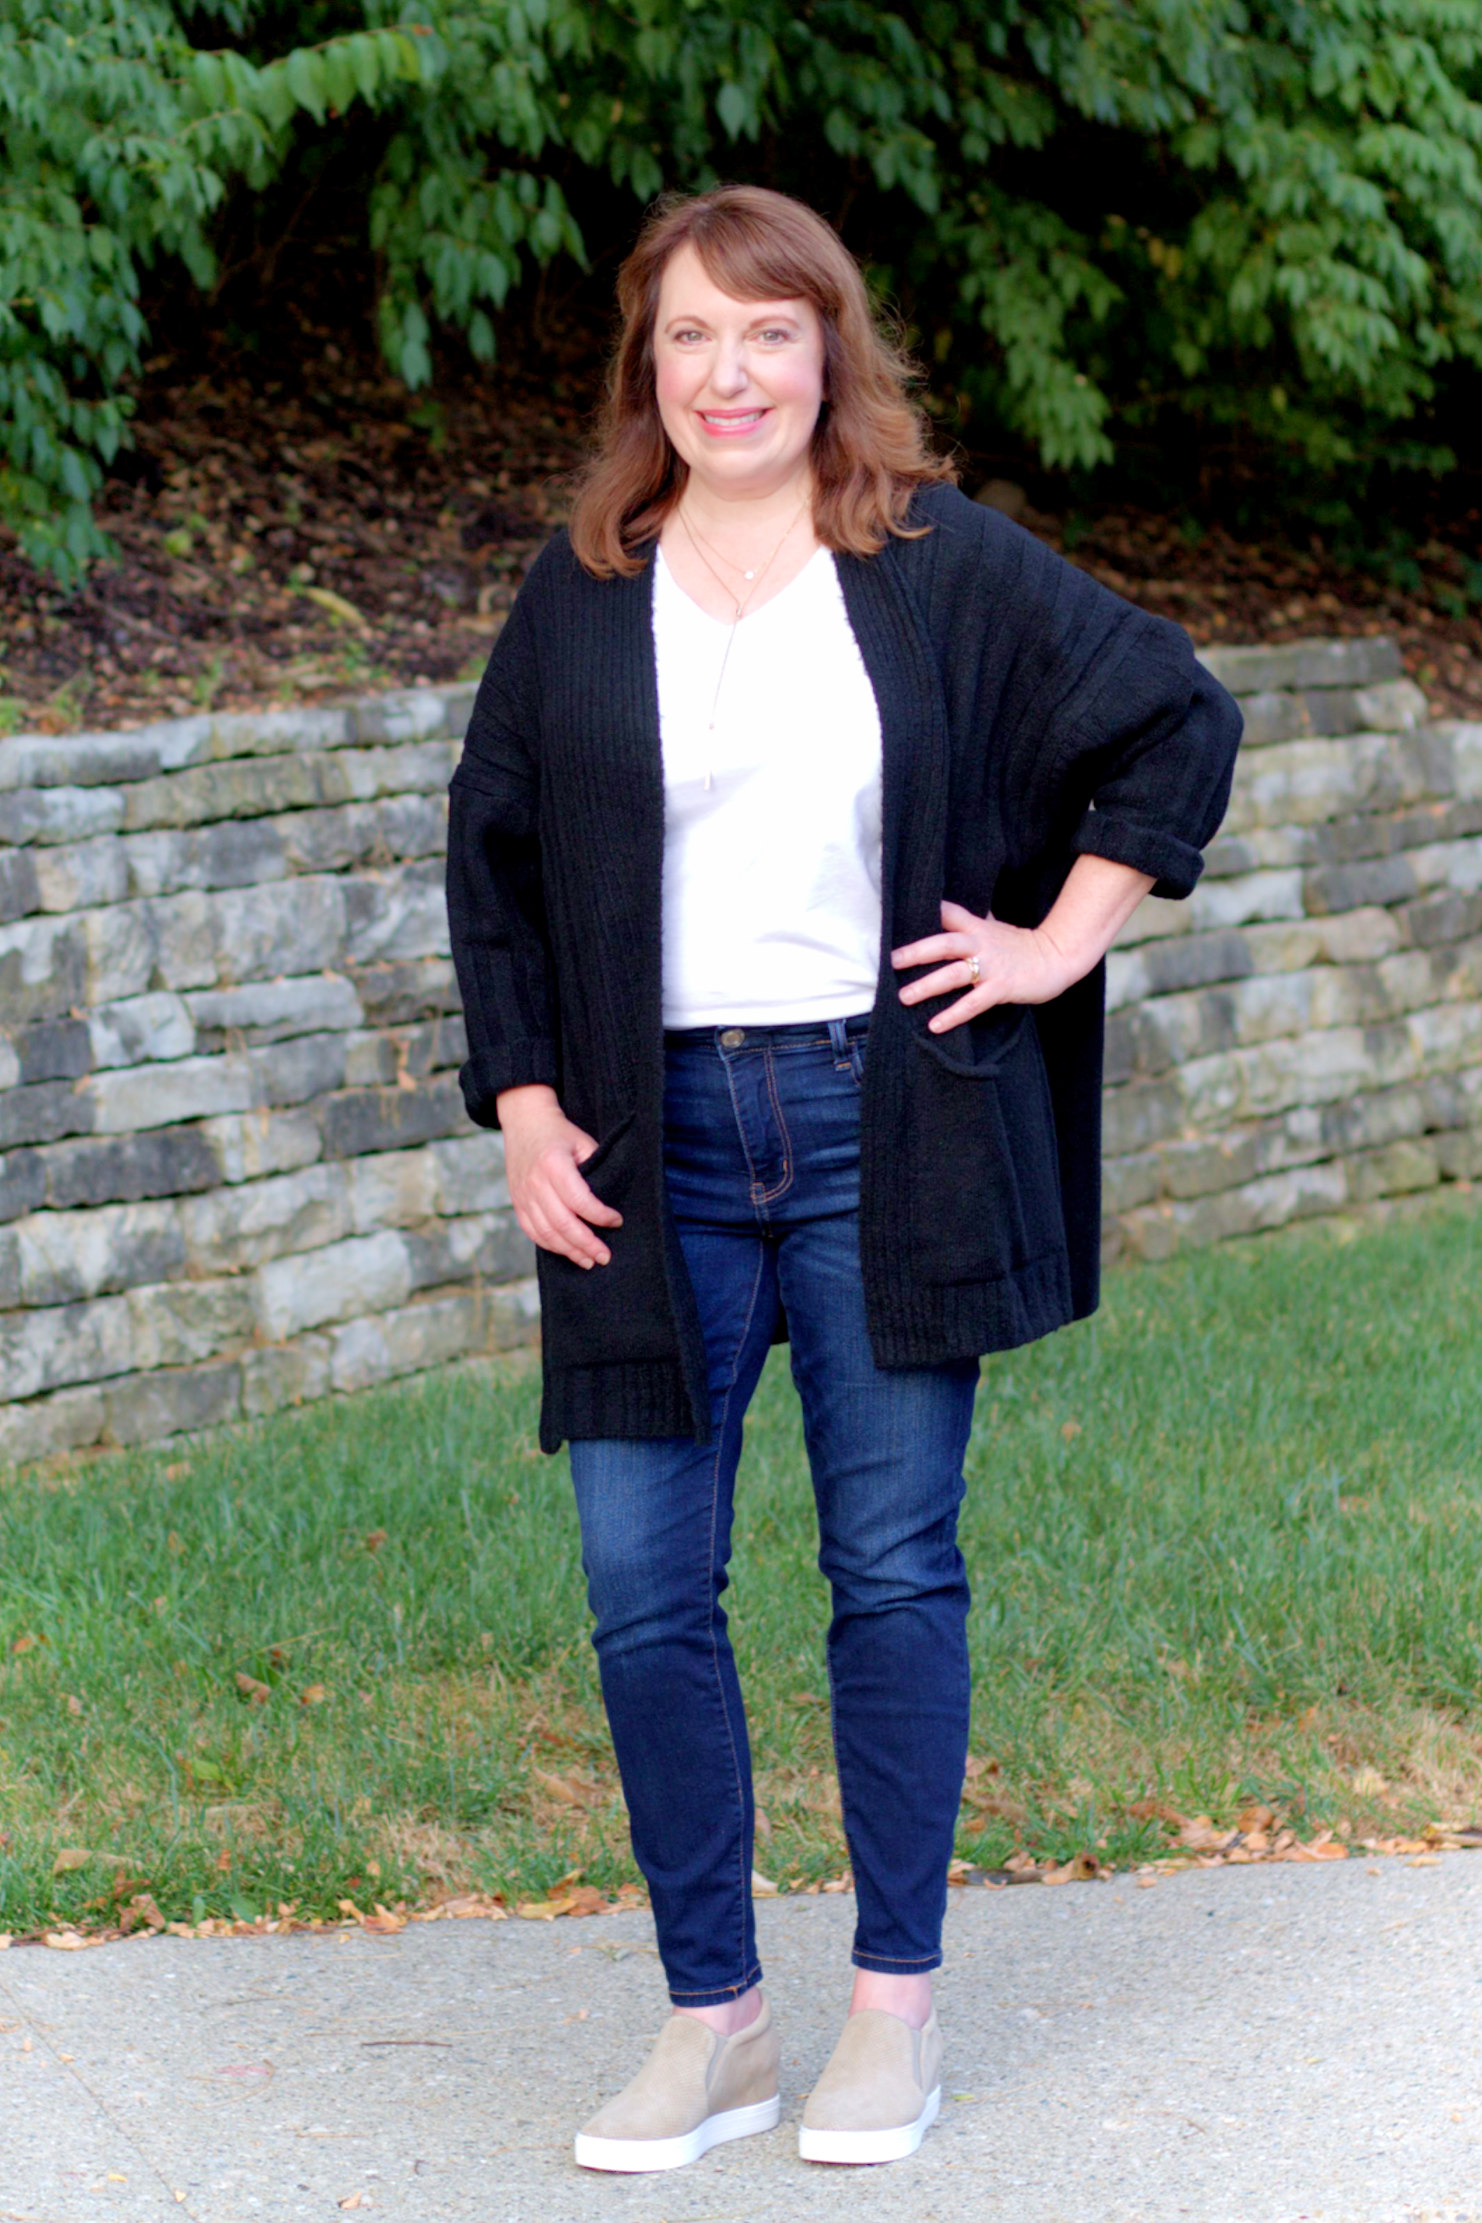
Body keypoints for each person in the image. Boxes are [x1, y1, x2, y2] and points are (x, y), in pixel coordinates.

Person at [445, 183, 1242, 2173]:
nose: (730, 373)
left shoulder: (929, 560)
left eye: (769, 333)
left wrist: (1062, 937)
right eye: (692, 335)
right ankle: (712, 2015)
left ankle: (894, 2004)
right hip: (651, 1142)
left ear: (829, 353)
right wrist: (528, 1104)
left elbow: (1171, 711)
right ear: (651, 361)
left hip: (886, 1121)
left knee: (891, 1559)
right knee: (644, 1582)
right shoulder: (583, 582)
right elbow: (498, 850)